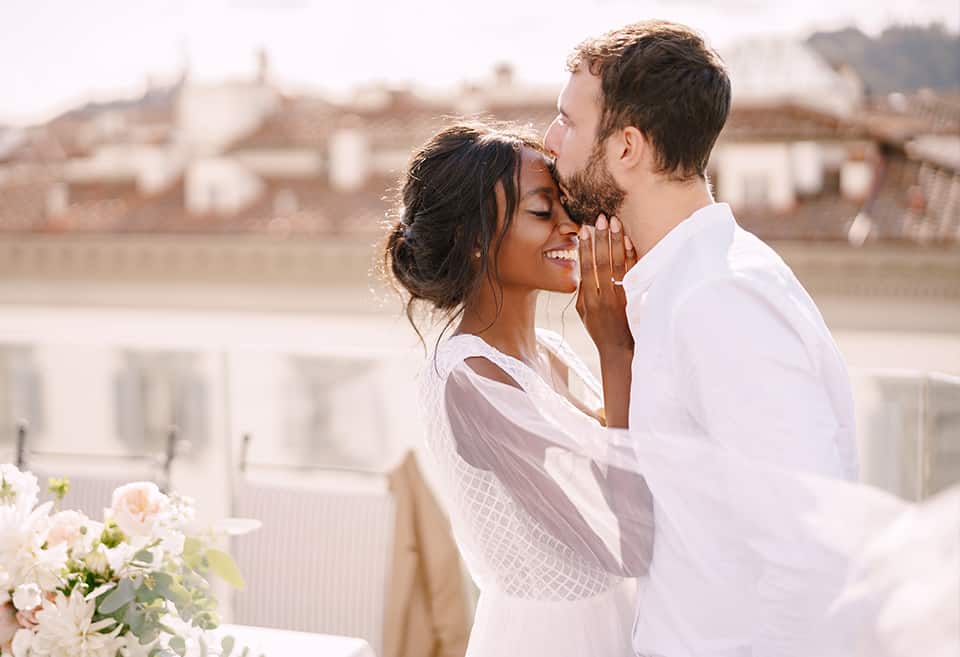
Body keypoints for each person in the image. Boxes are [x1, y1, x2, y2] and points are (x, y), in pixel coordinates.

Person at [384, 122, 653, 657]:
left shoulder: (548, 351)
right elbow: (629, 541)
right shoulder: (471, 380)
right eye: (541, 211)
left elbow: (631, 447)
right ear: (474, 238)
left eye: (566, 208)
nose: (570, 228)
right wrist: (616, 350)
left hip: (609, 625)